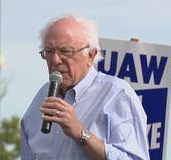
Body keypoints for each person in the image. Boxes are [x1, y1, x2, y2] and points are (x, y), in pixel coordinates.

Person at [20, 15, 150, 160]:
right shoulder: (40, 99)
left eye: (65, 51)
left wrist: (80, 133)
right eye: (49, 51)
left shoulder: (117, 94)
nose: (55, 60)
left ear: (90, 55)